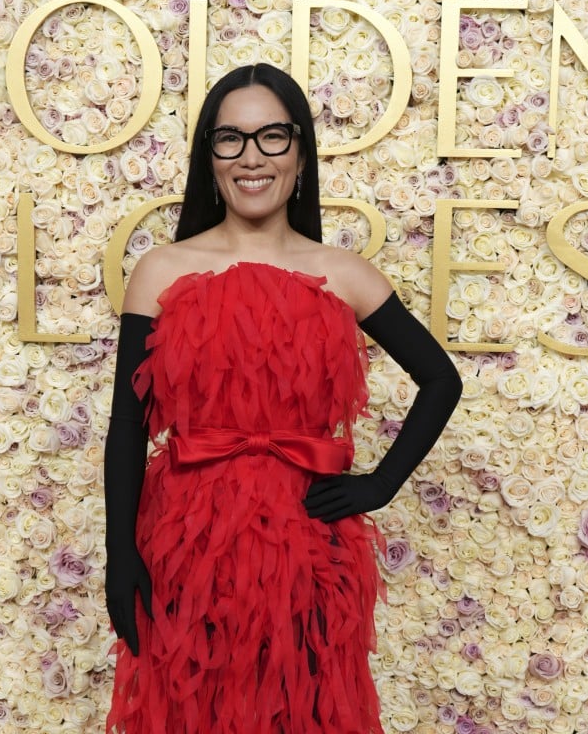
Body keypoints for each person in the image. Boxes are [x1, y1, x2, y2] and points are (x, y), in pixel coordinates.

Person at [104, 63, 462, 733]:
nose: (252, 157)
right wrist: (120, 555)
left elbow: (441, 380)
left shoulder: (345, 274)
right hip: (185, 543)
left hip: (309, 545)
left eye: (272, 136)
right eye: (230, 139)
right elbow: (128, 424)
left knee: (304, 710)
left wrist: (379, 485)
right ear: (208, 156)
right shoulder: (161, 269)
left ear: (300, 151)